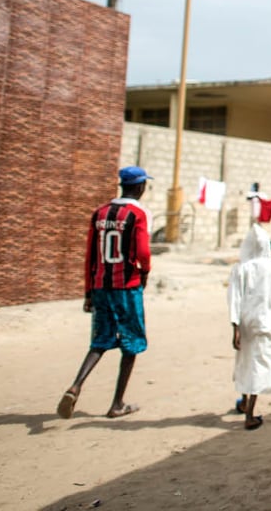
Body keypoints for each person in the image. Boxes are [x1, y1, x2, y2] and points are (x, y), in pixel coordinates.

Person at [56, 166, 153, 421]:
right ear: (141, 187)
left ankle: (76, 386)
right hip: (127, 287)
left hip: (100, 285)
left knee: (100, 341)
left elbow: (90, 254)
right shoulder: (138, 213)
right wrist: (145, 272)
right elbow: (143, 251)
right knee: (131, 343)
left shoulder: (99, 213)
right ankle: (117, 403)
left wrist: (88, 292)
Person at [228, 209, 271, 430]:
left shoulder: (241, 269)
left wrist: (235, 327)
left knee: (246, 359)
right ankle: (250, 414)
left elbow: (234, 299)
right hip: (266, 321)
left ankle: (245, 400)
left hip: (246, 321)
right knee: (260, 363)